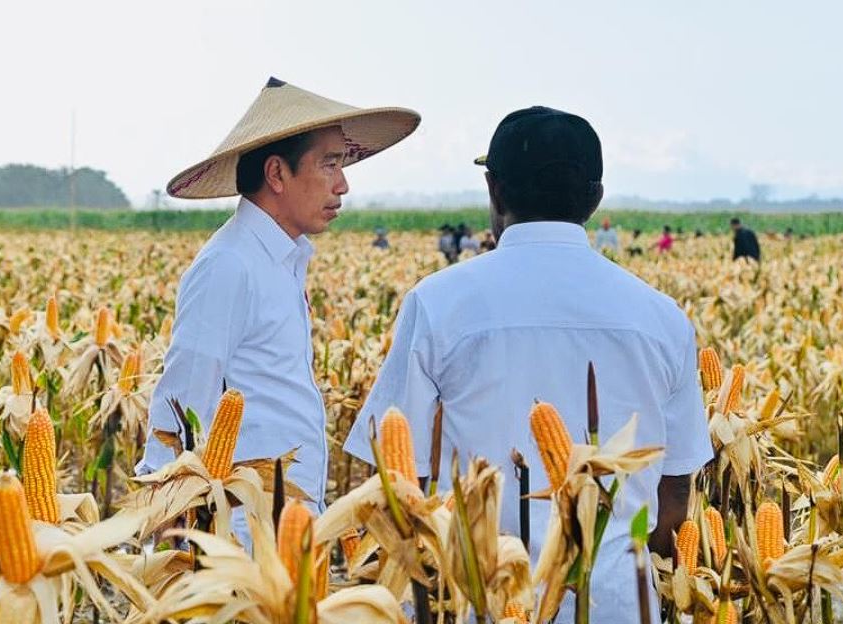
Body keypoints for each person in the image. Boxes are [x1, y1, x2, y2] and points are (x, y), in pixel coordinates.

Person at [343, 106, 712, 622]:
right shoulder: (662, 318)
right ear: (595, 198)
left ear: (494, 189)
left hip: (481, 600)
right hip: (616, 603)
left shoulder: (437, 303)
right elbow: (675, 494)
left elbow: (393, 477)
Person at [139, 78, 419, 526]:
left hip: (283, 524)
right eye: (330, 164)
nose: (343, 184)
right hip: (241, 534)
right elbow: (181, 402)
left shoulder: (280, 260)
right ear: (276, 174)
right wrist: (169, 521)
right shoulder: (230, 265)